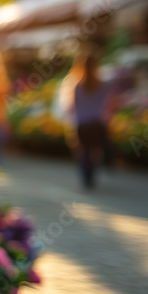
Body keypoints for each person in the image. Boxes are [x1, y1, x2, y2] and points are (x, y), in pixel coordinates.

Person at [62, 48, 114, 189]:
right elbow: (111, 104)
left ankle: (87, 176)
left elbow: (72, 107)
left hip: (82, 124)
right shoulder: (104, 85)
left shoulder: (77, 86)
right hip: (97, 123)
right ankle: (93, 173)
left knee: (84, 152)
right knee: (95, 151)